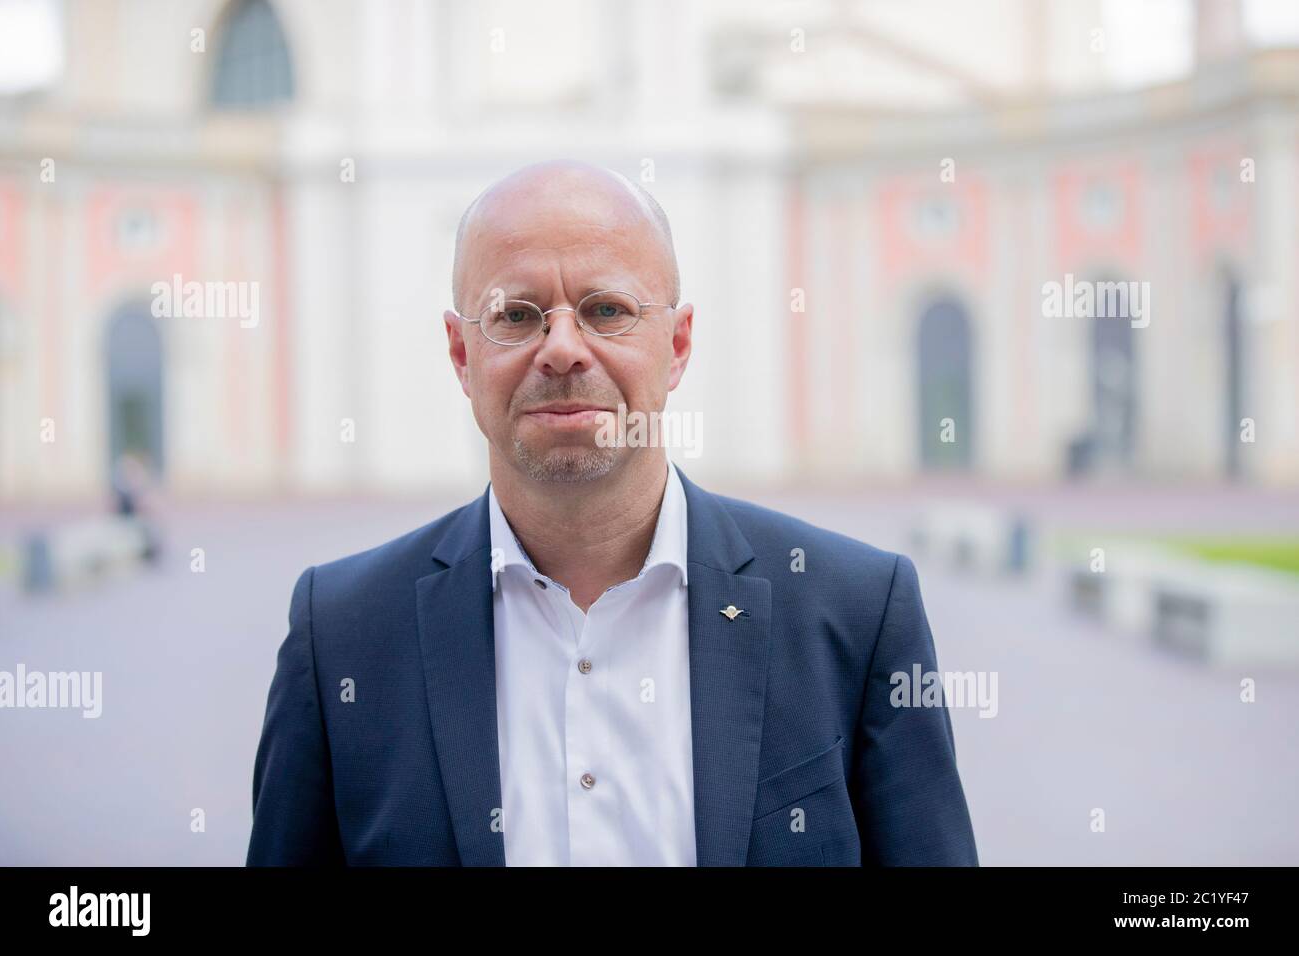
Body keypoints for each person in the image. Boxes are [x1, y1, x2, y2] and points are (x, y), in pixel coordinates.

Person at [246, 160, 977, 866]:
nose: (562, 350)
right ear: (461, 354)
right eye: (516, 315)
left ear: (678, 344)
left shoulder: (854, 612)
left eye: (606, 310)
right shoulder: (340, 636)